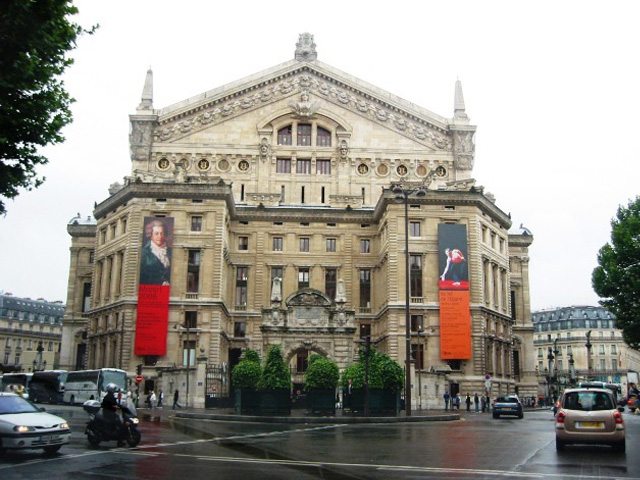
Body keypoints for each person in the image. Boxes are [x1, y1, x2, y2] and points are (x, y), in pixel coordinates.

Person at [140, 219, 172, 285]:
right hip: (150, 290)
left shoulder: (170, 251)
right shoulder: (144, 253)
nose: (160, 236)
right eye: (156, 233)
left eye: (162, 233)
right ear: (150, 235)